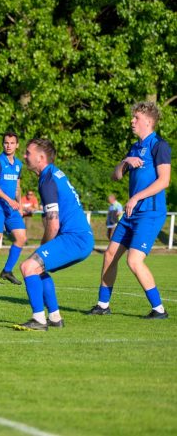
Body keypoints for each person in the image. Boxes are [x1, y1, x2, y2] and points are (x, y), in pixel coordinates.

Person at [88, 102, 171, 319]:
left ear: (148, 121)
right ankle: (103, 305)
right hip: (131, 213)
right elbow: (115, 176)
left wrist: (135, 197)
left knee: (133, 260)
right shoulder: (134, 147)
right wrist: (125, 161)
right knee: (109, 255)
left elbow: (164, 181)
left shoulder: (159, 145)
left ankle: (159, 309)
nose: (132, 121)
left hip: (150, 213)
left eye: (136, 118)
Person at [13, 139, 94, 330]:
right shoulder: (53, 174)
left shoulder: (48, 179)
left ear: (41, 158)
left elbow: (53, 223)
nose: (24, 156)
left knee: (28, 267)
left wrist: (42, 247)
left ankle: (39, 319)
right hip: (80, 238)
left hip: (75, 238)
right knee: (39, 269)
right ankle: (55, 317)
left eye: (28, 153)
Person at [0, 131, 26, 285]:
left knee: (21, 238)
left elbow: (17, 187)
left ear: (17, 145)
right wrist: (10, 200)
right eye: (6, 143)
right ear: (3, 144)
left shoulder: (19, 164)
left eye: (12, 143)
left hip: (12, 209)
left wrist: (19, 205)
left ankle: (7, 271)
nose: (8, 146)